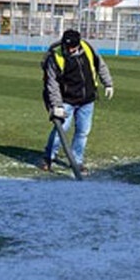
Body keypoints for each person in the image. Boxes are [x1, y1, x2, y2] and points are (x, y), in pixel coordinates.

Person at [39, 28, 114, 173]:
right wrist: (56, 105)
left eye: (73, 47)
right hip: (66, 100)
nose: (70, 50)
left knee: (82, 132)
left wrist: (108, 83)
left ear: (78, 44)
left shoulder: (88, 48)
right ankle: (48, 157)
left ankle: (77, 161)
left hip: (87, 100)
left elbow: (100, 65)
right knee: (61, 130)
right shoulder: (55, 57)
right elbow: (52, 84)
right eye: (67, 47)